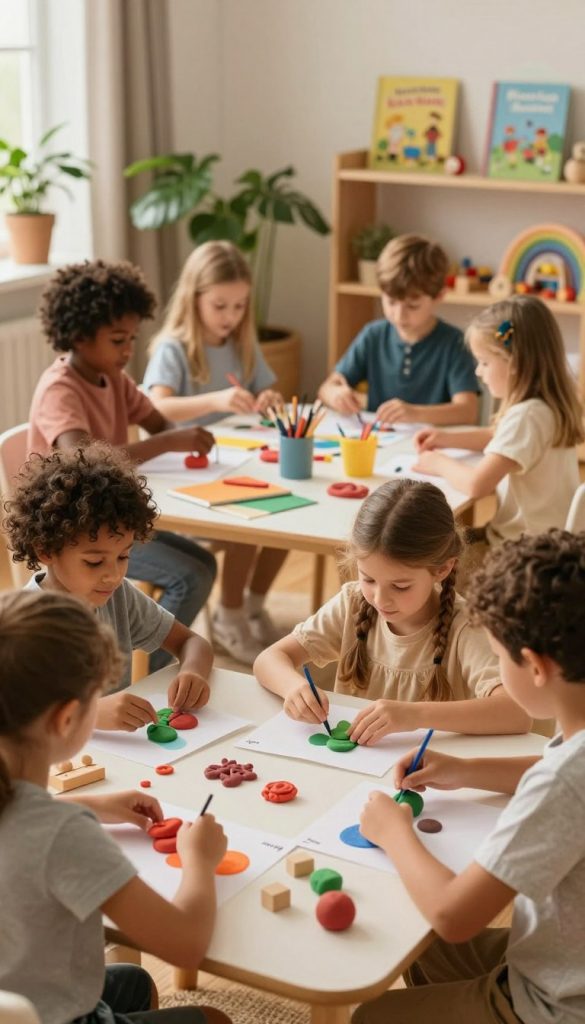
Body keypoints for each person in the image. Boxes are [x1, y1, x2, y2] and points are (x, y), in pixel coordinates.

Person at [354, 529, 585, 1024]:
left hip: (557, 1003)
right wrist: (466, 770)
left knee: (369, 1017)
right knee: (418, 945)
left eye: (501, 658)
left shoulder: (564, 783)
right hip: (565, 953)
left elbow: (454, 916)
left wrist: (393, 831)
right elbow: (562, 777)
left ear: (535, 667)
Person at [0, 588, 231, 1024]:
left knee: (134, 983)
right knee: (213, 1020)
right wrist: (198, 860)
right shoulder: (64, 835)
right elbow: (184, 945)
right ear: (68, 718)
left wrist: (92, 804)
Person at [28, 259, 218, 672]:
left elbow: (155, 421)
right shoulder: (61, 390)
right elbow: (82, 460)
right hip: (72, 527)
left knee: (203, 563)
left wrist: (172, 435)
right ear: (78, 335)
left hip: (109, 524)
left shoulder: (112, 377)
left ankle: (157, 673)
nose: (128, 350)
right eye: (118, 340)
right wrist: (170, 441)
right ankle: (150, 673)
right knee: (189, 575)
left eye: (132, 338)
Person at [254, 479, 530, 739]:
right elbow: (270, 659)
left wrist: (415, 715)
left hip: (429, 777)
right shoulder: (353, 602)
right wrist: (293, 687)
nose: (380, 599)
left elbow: (518, 712)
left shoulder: (467, 626)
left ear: (443, 569)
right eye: (368, 579)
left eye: (400, 586)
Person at [143, 241, 287, 664]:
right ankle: (229, 614)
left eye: (240, 306)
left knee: (285, 513)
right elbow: (158, 406)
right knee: (253, 516)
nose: (231, 317)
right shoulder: (174, 348)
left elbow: (265, 389)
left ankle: (252, 606)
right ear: (194, 297)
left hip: (234, 461)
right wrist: (217, 401)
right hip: (187, 478)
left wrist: (269, 398)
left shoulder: (242, 342)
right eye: (220, 306)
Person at [3, 443, 213, 731]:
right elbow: (16, 716)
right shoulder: (26, 623)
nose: (113, 575)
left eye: (123, 556)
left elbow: (192, 643)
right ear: (46, 551)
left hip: (116, 756)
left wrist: (193, 672)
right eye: (94, 562)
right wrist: (90, 715)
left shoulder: (118, 597)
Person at [413, 296, 584, 579]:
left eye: (484, 362)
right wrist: (446, 438)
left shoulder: (527, 416)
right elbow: (498, 437)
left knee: (432, 568)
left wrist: (437, 462)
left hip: (524, 557)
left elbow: (477, 484)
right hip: (553, 546)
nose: (479, 372)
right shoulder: (545, 407)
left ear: (513, 362)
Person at [318, 234, 479, 426]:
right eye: (391, 302)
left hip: (431, 447)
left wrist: (414, 413)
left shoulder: (454, 342)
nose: (399, 315)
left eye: (412, 306)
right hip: (380, 445)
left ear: (439, 296)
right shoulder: (373, 335)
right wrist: (336, 394)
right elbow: (326, 388)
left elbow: (467, 411)